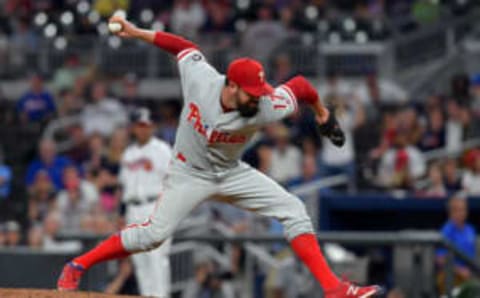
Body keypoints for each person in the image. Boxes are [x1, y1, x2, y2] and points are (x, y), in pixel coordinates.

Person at [57, 16, 382, 298]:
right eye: (251, 94)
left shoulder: (266, 104)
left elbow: (301, 86)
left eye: (260, 92)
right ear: (231, 86)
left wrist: (323, 114)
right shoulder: (202, 81)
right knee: (153, 236)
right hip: (189, 173)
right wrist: (139, 32)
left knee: (293, 209)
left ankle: (333, 288)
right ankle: (77, 265)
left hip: (230, 171)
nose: (258, 99)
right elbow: (182, 47)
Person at [118, 108, 173, 298]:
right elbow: (124, 186)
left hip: (154, 207)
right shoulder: (128, 154)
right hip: (133, 208)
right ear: (134, 128)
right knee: (139, 260)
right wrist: (121, 214)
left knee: (157, 257)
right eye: (140, 125)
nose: (143, 129)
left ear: (153, 127)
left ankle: (160, 295)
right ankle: (146, 295)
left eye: (146, 125)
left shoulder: (162, 150)